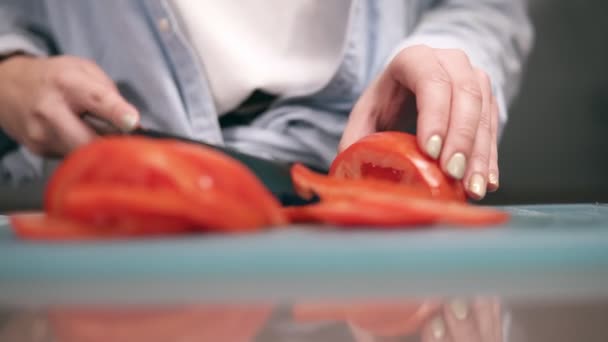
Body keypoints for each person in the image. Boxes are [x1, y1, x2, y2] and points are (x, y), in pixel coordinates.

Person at [0, 0, 532, 201]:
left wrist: (444, 59)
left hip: (362, 199)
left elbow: (485, 8)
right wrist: (9, 70)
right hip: (125, 203)